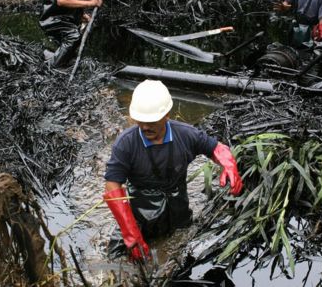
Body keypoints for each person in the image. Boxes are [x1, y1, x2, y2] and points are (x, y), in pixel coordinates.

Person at [103, 80, 243, 261]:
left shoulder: (186, 134)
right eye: (141, 121)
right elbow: (112, 184)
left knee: (185, 250)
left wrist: (229, 165)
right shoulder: (126, 144)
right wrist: (130, 231)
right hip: (142, 214)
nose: (145, 127)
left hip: (178, 211)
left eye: (151, 121)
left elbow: (216, 148)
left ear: (166, 115)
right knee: (115, 258)